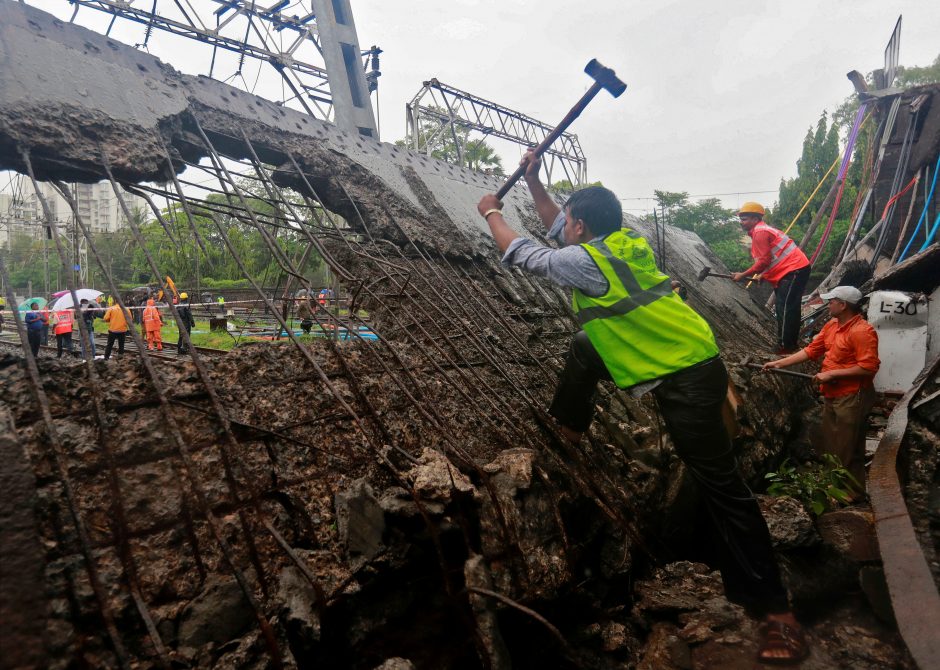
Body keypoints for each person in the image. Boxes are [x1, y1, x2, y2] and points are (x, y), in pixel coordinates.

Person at [475, 151, 807, 665]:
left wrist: (492, 213)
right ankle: (569, 427)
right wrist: (537, 182)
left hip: (689, 379)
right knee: (586, 344)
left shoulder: (585, 260)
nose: (561, 224)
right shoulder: (621, 240)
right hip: (689, 358)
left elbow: (525, 252)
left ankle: (775, 612)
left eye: (568, 219)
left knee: (722, 489)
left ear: (581, 226)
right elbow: (558, 225)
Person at [763, 286, 879, 487]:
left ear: (843, 305)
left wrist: (832, 373)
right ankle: (836, 488)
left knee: (847, 447)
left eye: (832, 301)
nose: (828, 304)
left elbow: (868, 368)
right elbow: (811, 351)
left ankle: (852, 494)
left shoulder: (862, 332)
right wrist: (779, 363)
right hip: (832, 393)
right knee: (832, 445)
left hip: (852, 396)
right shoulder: (832, 326)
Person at [731, 203, 811, 354]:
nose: (741, 222)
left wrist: (742, 275)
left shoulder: (760, 233)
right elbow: (772, 259)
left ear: (756, 219)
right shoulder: (760, 231)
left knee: (787, 308)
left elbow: (763, 262)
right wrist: (763, 275)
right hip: (790, 270)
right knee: (783, 309)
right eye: (740, 219)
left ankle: (787, 347)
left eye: (745, 219)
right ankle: (786, 343)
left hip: (794, 270)